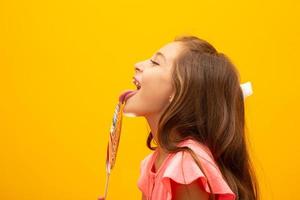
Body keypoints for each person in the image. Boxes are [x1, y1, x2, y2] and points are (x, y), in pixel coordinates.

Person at [124, 35, 259, 200]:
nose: (137, 65)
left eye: (155, 62)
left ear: (180, 90)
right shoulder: (151, 164)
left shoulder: (184, 167)